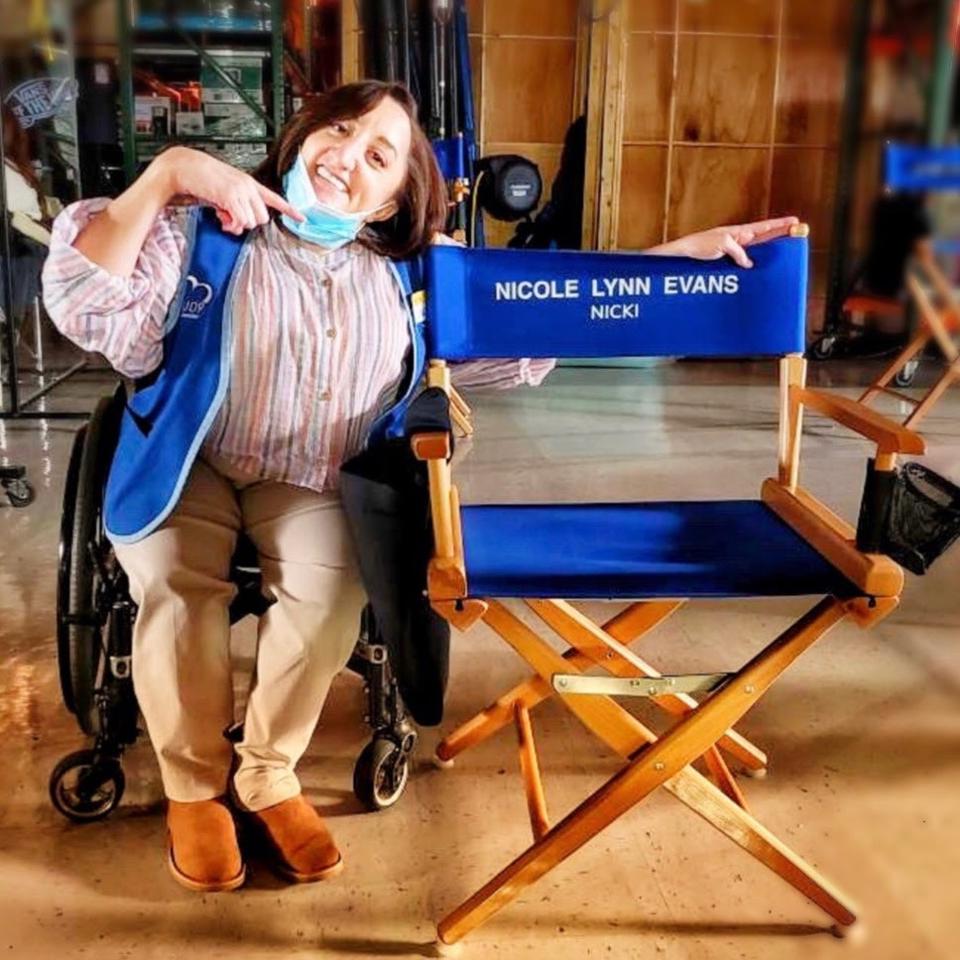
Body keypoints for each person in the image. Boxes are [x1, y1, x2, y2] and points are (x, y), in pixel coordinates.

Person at [42, 80, 797, 894]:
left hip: (311, 474)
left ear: (398, 195)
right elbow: (86, 306)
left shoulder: (408, 280)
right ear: (300, 139)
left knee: (331, 588)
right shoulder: (203, 236)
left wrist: (676, 266)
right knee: (175, 581)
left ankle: (265, 776)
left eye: (379, 155)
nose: (346, 158)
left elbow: (544, 313)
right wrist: (173, 172)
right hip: (188, 460)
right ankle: (195, 791)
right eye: (338, 132)